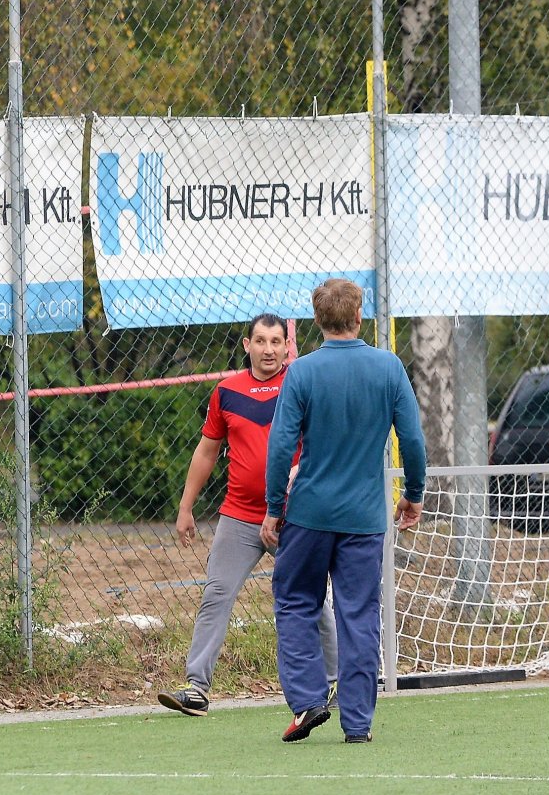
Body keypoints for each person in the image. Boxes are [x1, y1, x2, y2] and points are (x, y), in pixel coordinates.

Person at [263, 279, 426, 743]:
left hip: (309, 514)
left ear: (317, 321)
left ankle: (308, 700)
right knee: (359, 615)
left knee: (296, 602)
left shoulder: (302, 372)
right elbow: (412, 439)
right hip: (364, 518)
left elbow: (281, 446)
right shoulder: (388, 367)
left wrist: (275, 506)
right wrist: (414, 492)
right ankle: (358, 724)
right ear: (358, 317)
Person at [157, 315, 337, 716]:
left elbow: (325, 446)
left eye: (275, 341)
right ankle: (196, 688)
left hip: (294, 516)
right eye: (260, 341)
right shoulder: (227, 392)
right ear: (246, 345)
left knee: (311, 597)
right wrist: (186, 507)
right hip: (239, 516)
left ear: (287, 347)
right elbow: (207, 451)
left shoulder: (302, 384)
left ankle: (337, 681)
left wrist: (302, 478)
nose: (268, 349)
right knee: (216, 593)